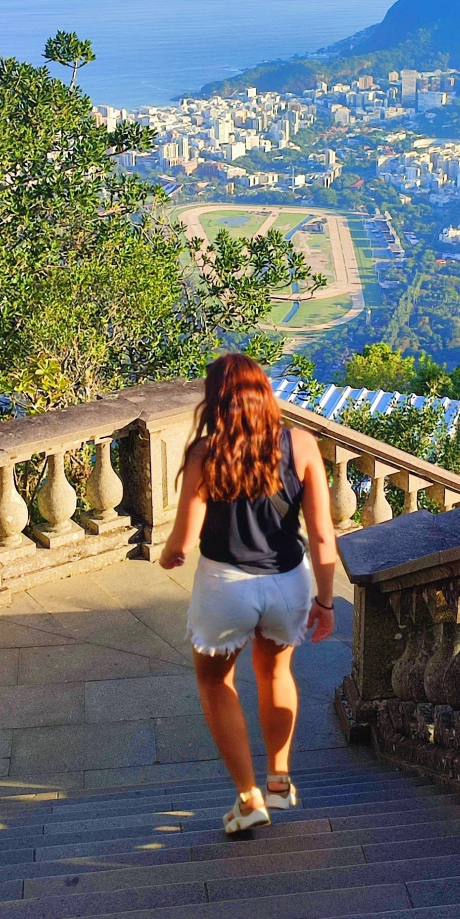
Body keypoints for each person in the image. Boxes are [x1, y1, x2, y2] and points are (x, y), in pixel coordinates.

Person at [159, 352, 338, 834]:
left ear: (215, 398)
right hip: (287, 583)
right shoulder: (301, 444)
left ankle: (248, 797)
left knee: (215, 682)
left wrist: (169, 556)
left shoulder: (205, 452)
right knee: (275, 672)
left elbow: (185, 539)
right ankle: (279, 779)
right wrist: (325, 602)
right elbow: (323, 536)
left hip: (226, 586)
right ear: (265, 393)